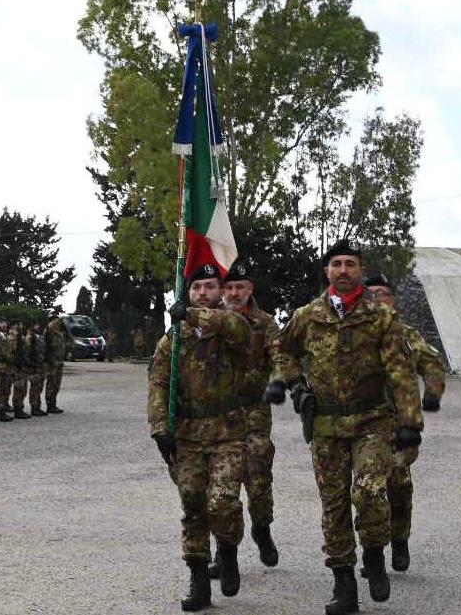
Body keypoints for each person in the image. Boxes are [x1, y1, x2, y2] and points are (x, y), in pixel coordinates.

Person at [270, 240, 423, 614]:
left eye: (350, 264)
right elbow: (282, 348)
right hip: (325, 423)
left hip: (372, 420)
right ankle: (343, 583)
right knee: (333, 505)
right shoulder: (309, 315)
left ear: (360, 269)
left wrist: (409, 423)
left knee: (370, 492)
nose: (342, 270)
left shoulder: (380, 316)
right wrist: (294, 383)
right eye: (336, 264)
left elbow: (401, 372)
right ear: (326, 271)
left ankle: (373, 552)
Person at [148, 263, 252, 611]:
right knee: (193, 505)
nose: (203, 293)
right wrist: (160, 427)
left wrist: (192, 315)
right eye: (196, 288)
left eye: (210, 287)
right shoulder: (172, 340)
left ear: (221, 292)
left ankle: (227, 550)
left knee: (222, 501)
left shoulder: (230, 327)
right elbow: (159, 384)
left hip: (227, 432)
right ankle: (197, 578)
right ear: (187, 292)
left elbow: (238, 329)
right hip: (187, 436)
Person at [364, 274, 447, 572]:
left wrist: (433, 394)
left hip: (401, 426)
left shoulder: (406, 334)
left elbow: (432, 364)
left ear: (392, 300)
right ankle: (372, 549)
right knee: (368, 487)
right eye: (370, 293)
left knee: (397, 483)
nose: (375, 299)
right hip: (366, 425)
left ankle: (399, 539)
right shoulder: (356, 336)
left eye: (382, 294)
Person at [212, 261, 280, 575]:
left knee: (258, 479)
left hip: (253, 412)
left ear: (250, 289)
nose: (234, 293)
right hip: (217, 415)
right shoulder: (209, 321)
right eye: (229, 287)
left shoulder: (265, 323)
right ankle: (224, 552)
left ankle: (262, 528)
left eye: (240, 287)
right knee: (219, 486)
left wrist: (279, 380)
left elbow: (280, 355)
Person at [44, 319, 67, 413]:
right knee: (51, 383)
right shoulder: (49, 333)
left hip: (59, 362)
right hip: (52, 363)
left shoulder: (58, 333)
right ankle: (50, 404)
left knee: (57, 384)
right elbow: (48, 348)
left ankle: (53, 403)